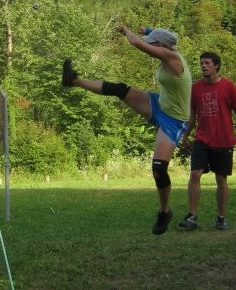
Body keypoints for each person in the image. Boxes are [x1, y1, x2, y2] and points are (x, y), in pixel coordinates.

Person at [62, 26, 192, 235]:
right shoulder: (165, 48)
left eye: (152, 42)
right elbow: (160, 36)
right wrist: (147, 29)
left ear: (160, 46)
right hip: (160, 104)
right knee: (120, 90)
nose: (149, 44)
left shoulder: (172, 57)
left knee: (159, 168)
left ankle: (164, 211)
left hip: (174, 120)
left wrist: (126, 31)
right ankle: (73, 80)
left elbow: (137, 44)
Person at [179, 52, 236, 231]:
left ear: (216, 66)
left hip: (224, 139)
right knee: (195, 174)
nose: (203, 66)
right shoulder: (194, 88)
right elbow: (192, 116)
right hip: (202, 139)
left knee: (221, 179)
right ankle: (192, 217)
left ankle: (221, 218)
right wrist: (185, 135)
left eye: (207, 63)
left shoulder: (228, 86)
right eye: (201, 63)